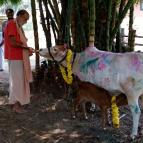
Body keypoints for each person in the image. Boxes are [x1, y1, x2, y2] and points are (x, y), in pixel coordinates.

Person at [4, 9, 35, 113]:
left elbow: (20, 43)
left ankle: (13, 103)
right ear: (19, 16)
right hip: (15, 57)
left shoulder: (16, 25)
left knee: (16, 81)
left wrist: (27, 51)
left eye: (27, 20)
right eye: (25, 19)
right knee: (18, 82)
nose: (26, 21)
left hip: (18, 56)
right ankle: (16, 106)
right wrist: (27, 49)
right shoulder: (12, 24)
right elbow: (12, 42)